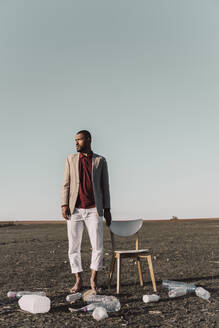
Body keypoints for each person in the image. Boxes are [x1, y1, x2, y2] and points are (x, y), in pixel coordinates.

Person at [61, 130, 111, 293]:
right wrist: (64, 204)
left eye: (79, 140)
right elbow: (66, 184)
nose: (76, 143)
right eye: (75, 140)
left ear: (88, 140)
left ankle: (93, 280)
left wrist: (107, 209)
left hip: (94, 210)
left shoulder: (100, 160)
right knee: (73, 247)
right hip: (74, 210)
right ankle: (78, 280)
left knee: (98, 246)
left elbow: (105, 187)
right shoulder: (70, 159)